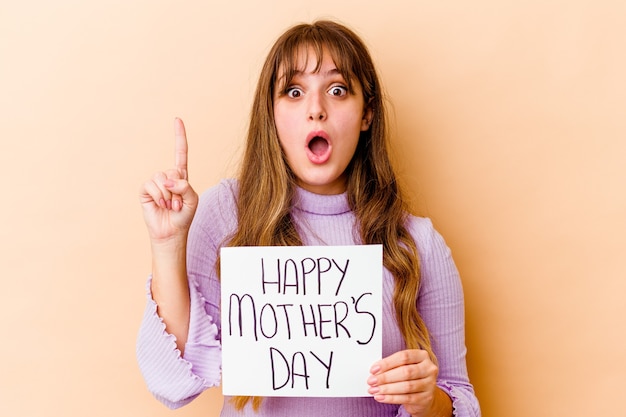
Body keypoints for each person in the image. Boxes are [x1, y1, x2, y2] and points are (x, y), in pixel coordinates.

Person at [137, 20, 481, 417]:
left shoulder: (418, 243)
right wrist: (166, 246)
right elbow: (172, 383)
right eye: (294, 91)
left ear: (367, 113)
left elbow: (461, 400)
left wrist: (429, 401)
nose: (316, 110)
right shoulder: (227, 213)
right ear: (272, 112)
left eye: (337, 90)